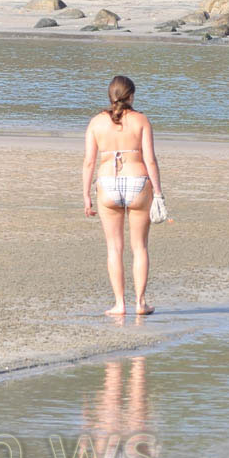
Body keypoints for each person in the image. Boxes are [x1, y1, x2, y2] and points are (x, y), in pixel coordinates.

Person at [83, 75, 165, 316]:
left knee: (114, 248)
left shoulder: (96, 123)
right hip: (138, 181)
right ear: (131, 96)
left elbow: (89, 162)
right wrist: (158, 192)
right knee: (139, 247)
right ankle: (140, 303)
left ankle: (120, 304)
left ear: (111, 96)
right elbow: (150, 159)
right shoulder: (141, 120)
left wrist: (86, 195)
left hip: (108, 182)